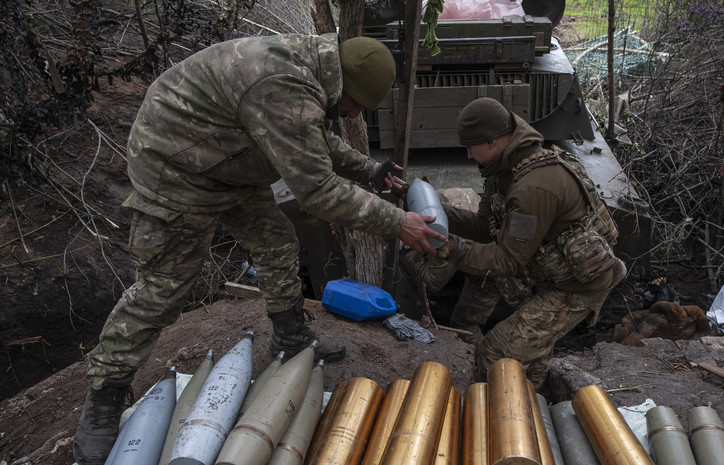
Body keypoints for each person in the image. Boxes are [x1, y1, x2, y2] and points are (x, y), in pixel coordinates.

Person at [73, 33, 445, 465]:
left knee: (277, 243)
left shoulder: (314, 74)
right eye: (356, 104)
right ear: (342, 83)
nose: (354, 114)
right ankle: (105, 396)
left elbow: (313, 139)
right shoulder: (282, 84)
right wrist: (399, 222)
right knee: (164, 285)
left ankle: (290, 338)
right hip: (175, 167)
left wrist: (370, 170)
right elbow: (318, 191)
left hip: (231, 159)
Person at [418, 97, 626, 389]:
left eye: (470, 147)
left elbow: (507, 260)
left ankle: (506, 416)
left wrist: (452, 248)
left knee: (497, 353)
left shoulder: (533, 187)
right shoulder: (503, 170)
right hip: (547, 276)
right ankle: (534, 403)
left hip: (577, 287)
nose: (467, 155)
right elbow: (483, 227)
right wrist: (432, 212)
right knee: (531, 351)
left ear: (492, 142)